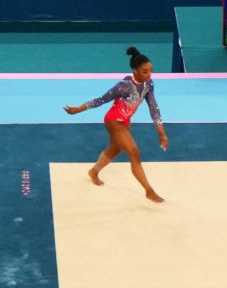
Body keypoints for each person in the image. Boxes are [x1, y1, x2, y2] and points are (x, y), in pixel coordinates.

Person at [63, 47, 168, 204]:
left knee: (114, 149)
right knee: (134, 153)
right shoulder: (124, 85)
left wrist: (161, 133)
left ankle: (94, 172)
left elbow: (154, 108)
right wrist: (78, 109)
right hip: (113, 120)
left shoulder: (149, 85)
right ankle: (149, 191)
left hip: (125, 121)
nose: (149, 74)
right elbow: (101, 100)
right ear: (135, 71)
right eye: (145, 71)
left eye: (150, 71)